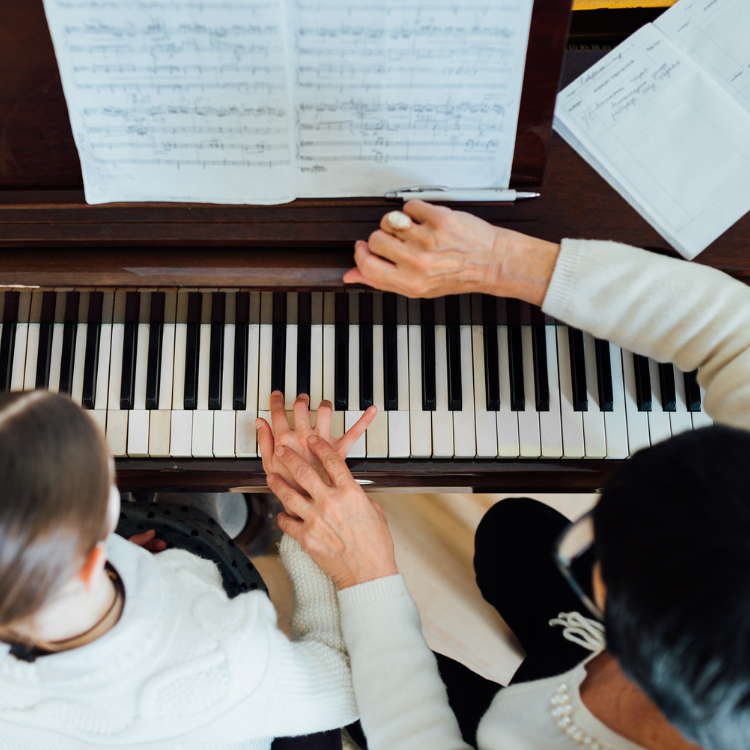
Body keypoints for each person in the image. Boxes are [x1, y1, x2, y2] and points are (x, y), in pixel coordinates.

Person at [259, 200, 750, 750]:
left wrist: (360, 571)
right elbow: (740, 334)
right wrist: (499, 262)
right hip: (590, 653)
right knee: (511, 534)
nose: (583, 528)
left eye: (590, 543)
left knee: (354, 671)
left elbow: (414, 735)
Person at [0, 389, 375, 749]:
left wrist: (111, 567)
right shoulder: (232, 656)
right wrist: (306, 512)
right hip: (231, 682)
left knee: (186, 509)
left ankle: (246, 523)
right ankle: (255, 526)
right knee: (189, 507)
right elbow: (343, 684)